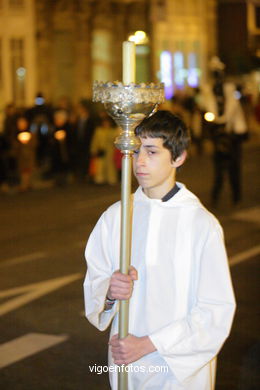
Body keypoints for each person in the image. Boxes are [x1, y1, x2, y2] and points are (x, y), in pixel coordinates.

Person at [83, 110, 236, 389]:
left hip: (177, 368)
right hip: (125, 359)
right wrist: (108, 291)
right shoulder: (116, 217)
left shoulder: (201, 225)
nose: (139, 162)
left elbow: (216, 310)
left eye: (152, 152)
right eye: (136, 151)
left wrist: (148, 344)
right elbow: (95, 280)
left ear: (178, 157)